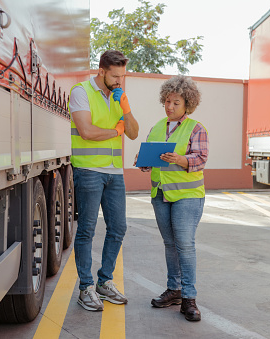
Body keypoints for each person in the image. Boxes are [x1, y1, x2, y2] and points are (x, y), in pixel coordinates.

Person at [69, 50, 139, 311]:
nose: (120, 80)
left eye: (123, 75)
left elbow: (132, 133)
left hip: (114, 173)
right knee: (87, 230)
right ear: (101, 71)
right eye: (115, 75)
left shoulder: (118, 96)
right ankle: (85, 288)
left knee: (118, 228)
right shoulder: (81, 92)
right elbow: (86, 132)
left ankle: (104, 282)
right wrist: (115, 130)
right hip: (88, 171)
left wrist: (126, 110)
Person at [138, 75, 208, 321]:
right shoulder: (157, 127)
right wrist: (144, 162)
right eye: (167, 101)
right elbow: (150, 161)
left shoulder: (196, 128)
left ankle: (189, 297)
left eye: (175, 102)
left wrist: (181, 159)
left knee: (185, 245)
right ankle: (174, 289)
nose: (169, 106)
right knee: (170, 244)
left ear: (187, 104)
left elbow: (200, 158)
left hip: (187, 196)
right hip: (160, 194)